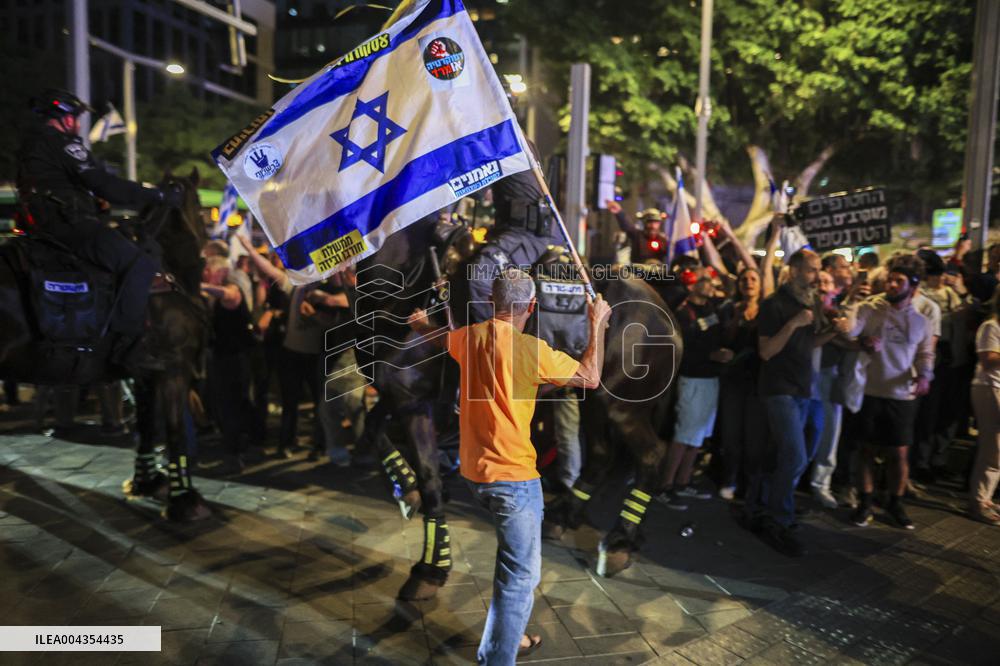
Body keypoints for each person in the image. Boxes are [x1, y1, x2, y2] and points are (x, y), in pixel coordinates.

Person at [434, 268, 611, 664]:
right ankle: (497, 658)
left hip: (475, 476)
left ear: (492, 303)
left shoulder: (470, 337)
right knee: (519, 579)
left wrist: (432, 314)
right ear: (531, 306)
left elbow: (447, 337)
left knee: (512, 569)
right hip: (514, 481)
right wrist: (595, 323)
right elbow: (591, 377)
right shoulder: (531, 349)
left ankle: (505, 639)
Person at [16, 88, 180, 370]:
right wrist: (158, 195)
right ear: (64, 118)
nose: (79, 125)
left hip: (41, 227)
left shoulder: (30, 145)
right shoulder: (65, 144)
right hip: (70, 226)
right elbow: (105, 184)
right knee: (140, 264)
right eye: (76, 118)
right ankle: (127, 346)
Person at [756, 249, 849, 555]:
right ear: (794, 270)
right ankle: (778, 518)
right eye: (810, 270)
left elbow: (809, 344)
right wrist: (794, 323)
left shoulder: (807, 304)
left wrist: (831, 331)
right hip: (779, 389)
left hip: (804, 390)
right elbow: (767, 351)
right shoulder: (775, 305)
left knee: (803, 454)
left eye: (817, 270)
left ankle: (774, 504)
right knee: (794, 456)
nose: (815, 277)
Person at [847, 254, 934, 530]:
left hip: (902, 395)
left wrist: (925, 375)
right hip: (870, 391)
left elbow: (925, 353)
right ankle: (865, 502)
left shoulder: (920, 320)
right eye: (890, 279)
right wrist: (861, 339)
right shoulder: (869, 308)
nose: (892, 284)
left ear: (913, 285)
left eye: (899, 280)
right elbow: (849, 331)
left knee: (899, 453)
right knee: (866, 450)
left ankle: (895, 503)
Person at [658, 265, 733, 509]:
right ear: (691, 284)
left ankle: (683, 481)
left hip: (711, 379)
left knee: (697, 436)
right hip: (692, 379)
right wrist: (711, 355)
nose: (710, 284)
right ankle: (665, 486)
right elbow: (681, 350)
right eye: (704, 280)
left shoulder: (711, 308)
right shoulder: (683, 313)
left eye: (711, 279)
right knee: (683, 435)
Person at [717, 267, 768, 501]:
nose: (748, 282)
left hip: (759, 382)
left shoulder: (768, 310)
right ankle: (730, 478)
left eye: (753, 279)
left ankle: (751, 484)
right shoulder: (730, 310)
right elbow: (722, 340)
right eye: (744, 279)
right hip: (733, 381)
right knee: (731, 434)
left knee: (754, 437)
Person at [968, 286, 1000, 526]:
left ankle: (986, 497)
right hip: (990, 388)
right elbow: (988, 359)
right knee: (992, 447)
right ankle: (979, 501)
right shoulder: (991, 326)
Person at [606, 200, 669, 264]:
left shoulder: (663, 240)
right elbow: (628, 227)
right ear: (644, 223)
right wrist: (619, 212)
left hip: (658, 272)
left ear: (660, 223)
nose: (653, 226)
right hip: (637, 271)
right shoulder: (637, 236)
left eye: (656, 222)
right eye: (649, 222)